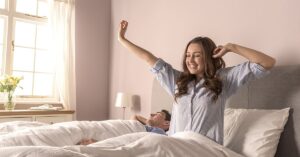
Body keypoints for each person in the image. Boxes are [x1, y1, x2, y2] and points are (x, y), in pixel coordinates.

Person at [118, 20, 275, 145]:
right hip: (173, 147)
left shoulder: (224, 79)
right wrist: (122, 39)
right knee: (136, 143)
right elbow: (148, 58)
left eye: (196, 55)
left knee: (143, 146)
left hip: (203, 149)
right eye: (188, 55)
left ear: (208, 57)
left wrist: (231, 47)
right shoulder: (177, 81)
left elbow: (267, 62)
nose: (190, 61)